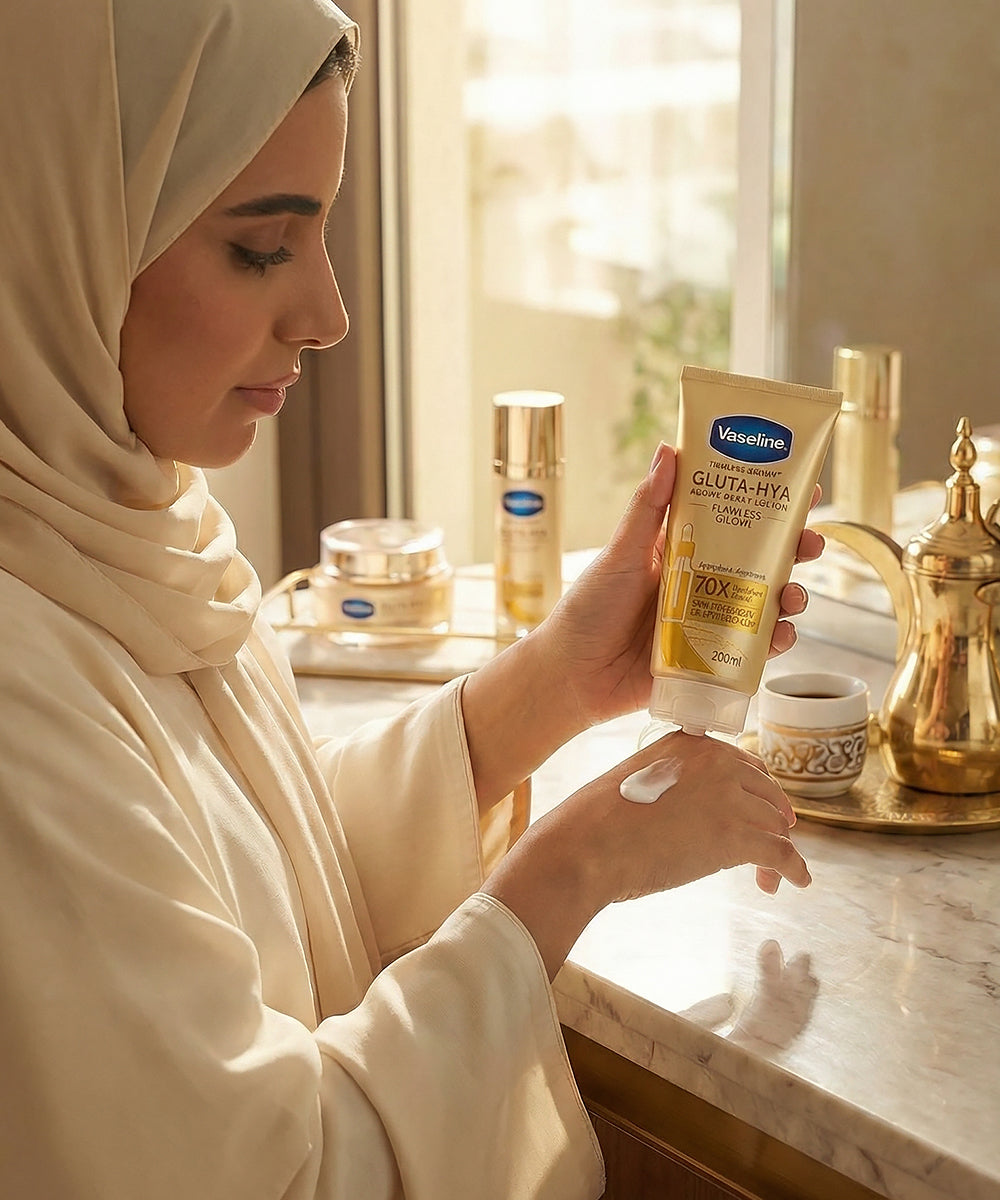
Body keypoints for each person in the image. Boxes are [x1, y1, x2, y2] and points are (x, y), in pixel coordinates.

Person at [0, 1, 820, 1197]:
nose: (329, 314)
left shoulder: (127, 529)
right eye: (263, 247)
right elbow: (278, 1176)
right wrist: (570, 869)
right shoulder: (19, 685)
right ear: (57, 230)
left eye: (323, 235)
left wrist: (553, 683)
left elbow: (248, 871)